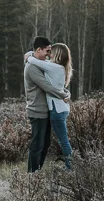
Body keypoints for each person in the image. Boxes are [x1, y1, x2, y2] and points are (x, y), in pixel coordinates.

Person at [24, 37, 70, 173]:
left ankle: (37, 170)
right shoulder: (33, 68)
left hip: (47, 110)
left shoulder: (41, 64)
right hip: (37, 111)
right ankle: (32, 173)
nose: (49, 55)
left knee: (45, 144)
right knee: (37, 144)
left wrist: (65, 92)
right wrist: (64, 95)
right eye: (47, 51)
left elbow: (55, 82)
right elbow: (47, 87)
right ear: (39, 50)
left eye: (51, 52)